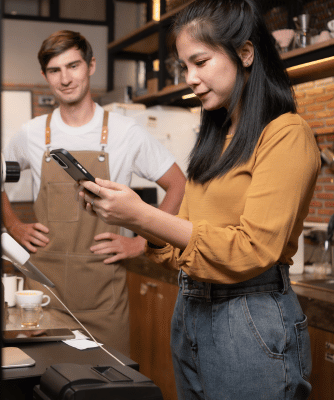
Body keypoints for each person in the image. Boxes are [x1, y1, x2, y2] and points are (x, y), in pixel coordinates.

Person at [77, 0, 320, 398]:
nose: (190, 78)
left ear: (245, 53)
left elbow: (251, 249)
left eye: (200, 62)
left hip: (250, 317)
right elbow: (179, 247)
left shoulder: (286, 133)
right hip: (190, 309)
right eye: (183, 67)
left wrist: (142, 214)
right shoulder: (214, 141)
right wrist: (137, 220)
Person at [2, 30, 186, 355]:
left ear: (91, 65)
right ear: (45, 76)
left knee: (107, 385)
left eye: (73, 66)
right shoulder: (30, 133)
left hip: (104, 297)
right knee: (44, 383)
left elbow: (178, 183)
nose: (65, 78)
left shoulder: (126, 132)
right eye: (55, 70)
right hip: (45, 293)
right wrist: (14, 226)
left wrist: (142, 243)